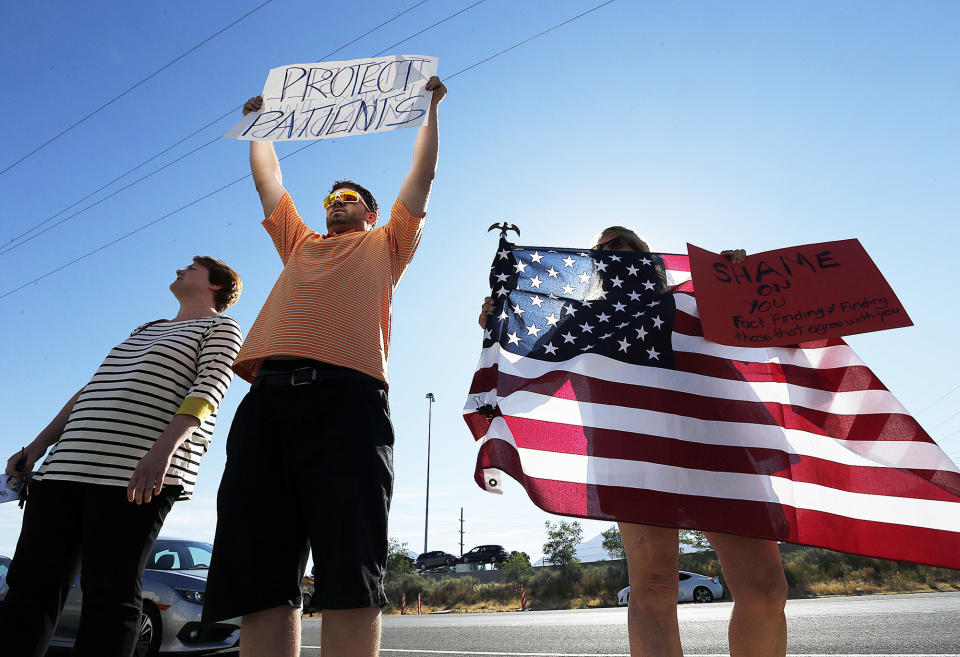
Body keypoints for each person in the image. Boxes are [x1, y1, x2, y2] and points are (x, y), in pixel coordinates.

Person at [201, 76, 446, 657]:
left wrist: (428, 111)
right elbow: (268, 180)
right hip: (268, 403)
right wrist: (260, 126)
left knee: (349, 566)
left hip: (348, 402)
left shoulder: (390, 244)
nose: (337, 206)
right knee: (260, 575)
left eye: (349, 200)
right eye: (331, 200)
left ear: (372, 212)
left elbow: (424, 177)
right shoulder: (299, 242)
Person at [479, 227, 787, 657]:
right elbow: (529, 368)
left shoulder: (692, 298)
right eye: (599, 248)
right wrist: (504, 318)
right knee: (655, 584)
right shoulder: (583, 319)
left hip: (719, 439)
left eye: (617, 243)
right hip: (635, 451)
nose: (606, 251)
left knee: (765, 586)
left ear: (644, 254)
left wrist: (733, 276)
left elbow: (760, 326)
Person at [0, 256, 243, 657]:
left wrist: (162, 452)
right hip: (64, 468)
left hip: (135, 475)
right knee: (30, 587)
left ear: (217, 285)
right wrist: (37, 447)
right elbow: (88, 392)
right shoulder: (146, 329)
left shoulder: (221, 327)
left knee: (109, 593)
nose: (180, 270)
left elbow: (209, 390)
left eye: (193, 268)